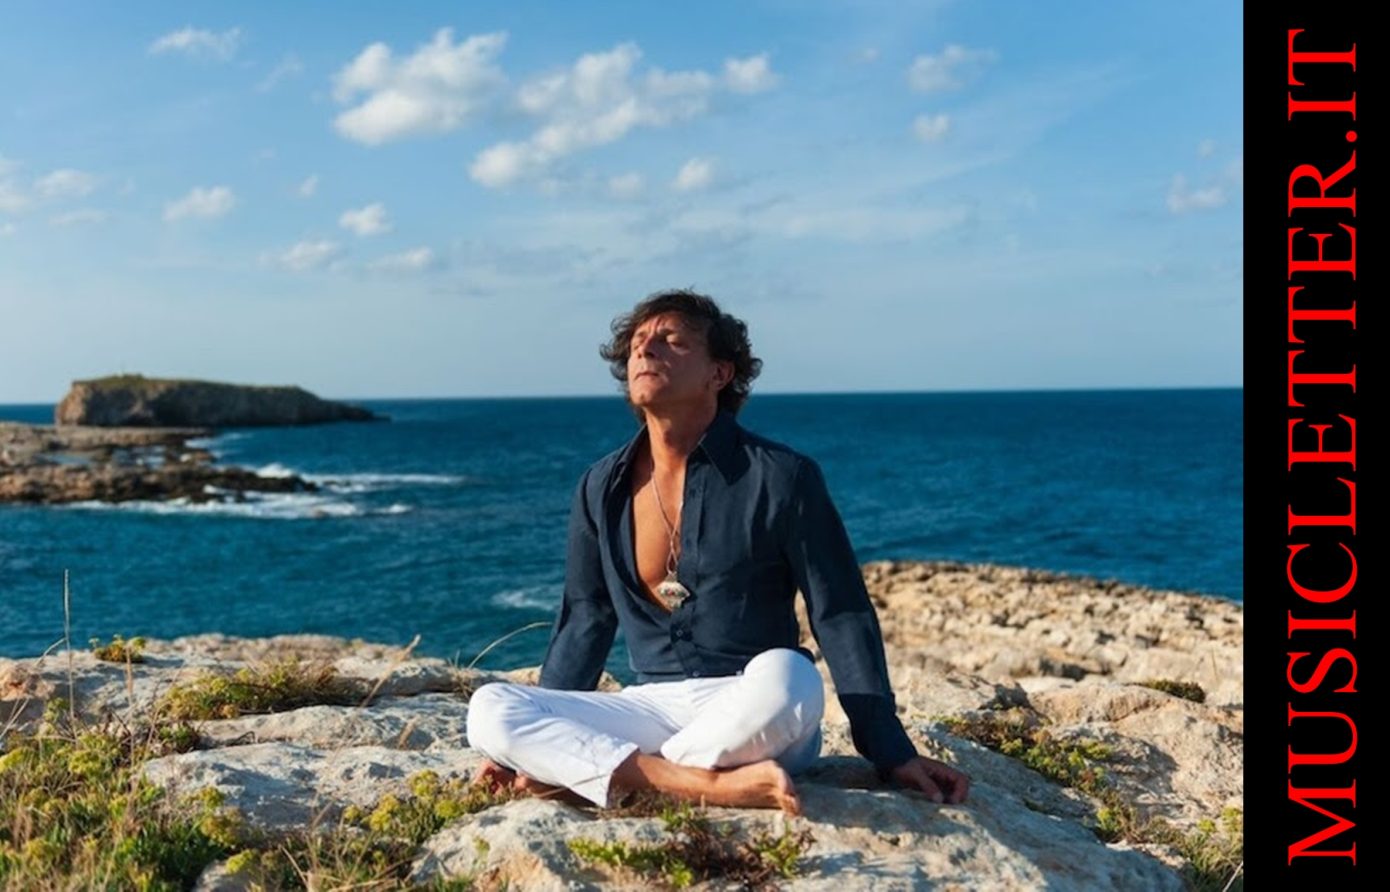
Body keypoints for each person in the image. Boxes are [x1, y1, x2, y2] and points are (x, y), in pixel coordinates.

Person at [466, 289, 969, 814]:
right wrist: (522, 743)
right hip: (651, 706)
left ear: (720, 373)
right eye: (637, 344)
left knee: (794, 676)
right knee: (490, 708)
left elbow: (839, 611)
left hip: (756, 704)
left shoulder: (782, 477)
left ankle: (609, 774)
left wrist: (891, 751)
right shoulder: (600, 486)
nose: (645, 350)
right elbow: (586, 618)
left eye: (672, 341)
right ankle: (700, 784)